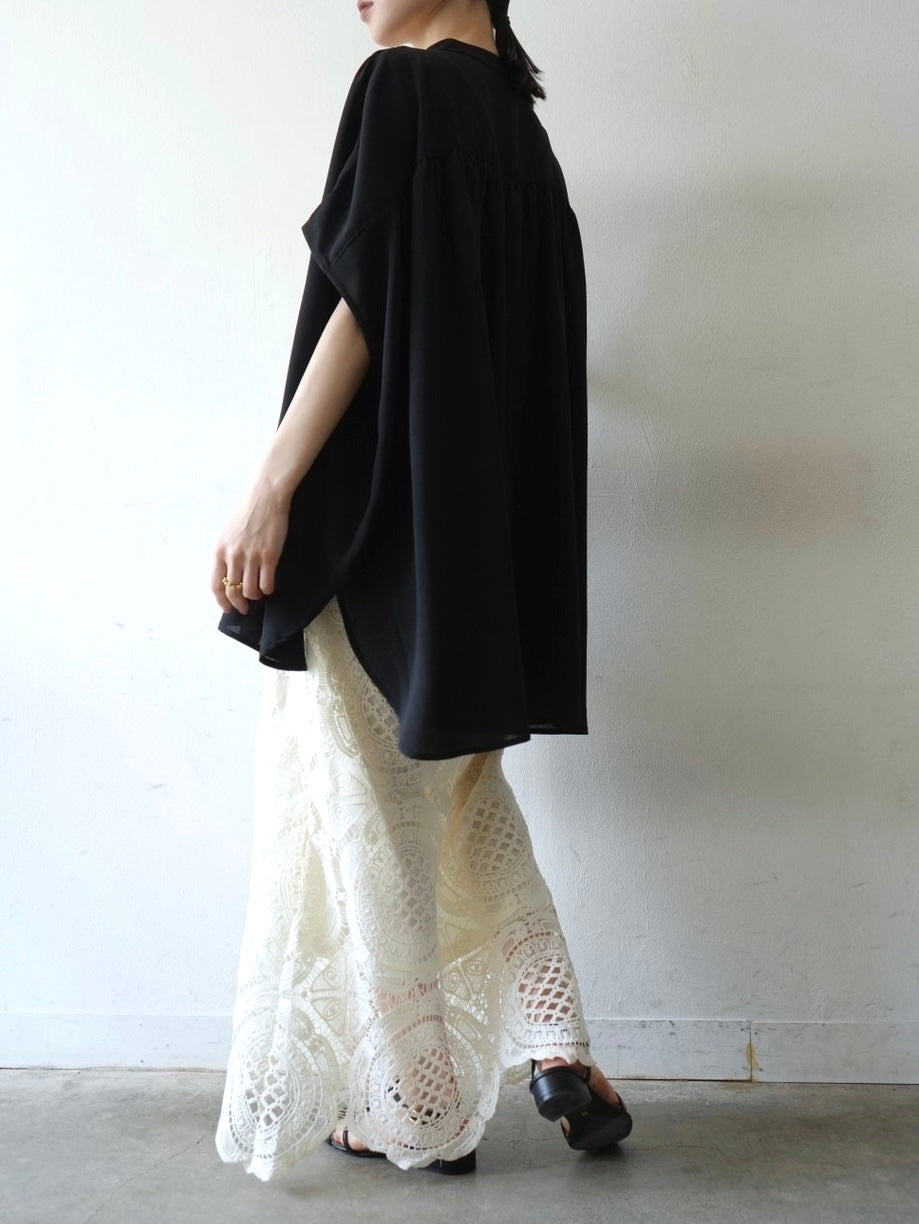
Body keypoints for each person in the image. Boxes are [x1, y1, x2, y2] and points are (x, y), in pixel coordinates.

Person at [211, 0, 632, 1180]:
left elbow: (365, 303)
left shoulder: (403, 88)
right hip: (478, 553)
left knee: (376, 818)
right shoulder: (522, 134)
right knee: (462, 803)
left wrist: (270, 488)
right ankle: (556, 1044)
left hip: (379, 533)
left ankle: (417, 1101)